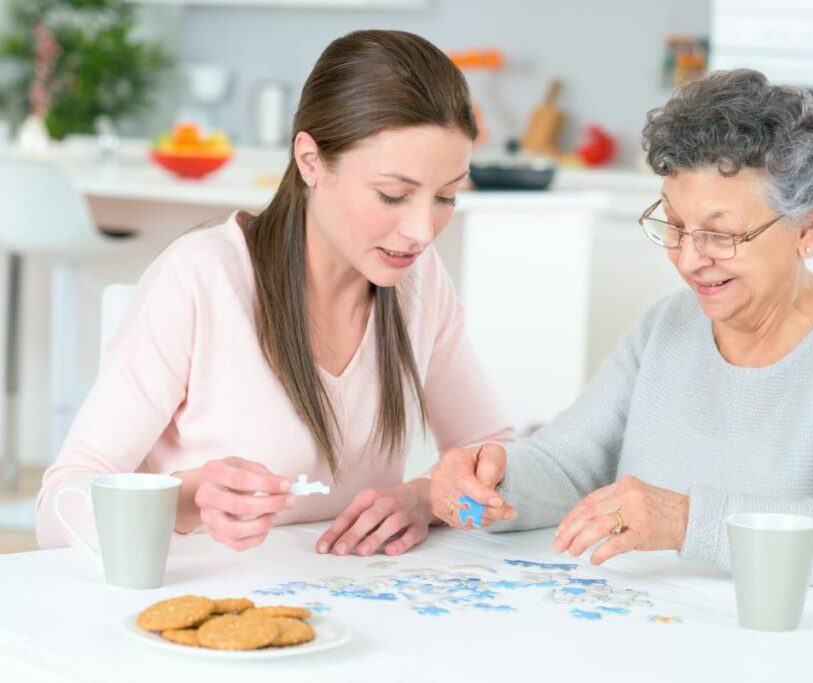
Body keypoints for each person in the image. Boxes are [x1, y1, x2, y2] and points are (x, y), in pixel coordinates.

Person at [430, 69, 813, 587]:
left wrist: (689, 522)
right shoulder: (668, 325)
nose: (690, 259)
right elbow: (567, 464)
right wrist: (492, 479)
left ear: (807, 230)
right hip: (660, 626)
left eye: (719, 234)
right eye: (674, 227)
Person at [36, 29, 513, 556]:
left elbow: (496, 465)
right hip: (202, 616)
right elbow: (60, 506)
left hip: (359, 616)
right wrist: (185, 501)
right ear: (309, 160)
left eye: (446, 197)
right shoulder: (203, 277)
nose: (423, 231)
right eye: (392, 195)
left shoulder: (421, 285)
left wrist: (430, 501)